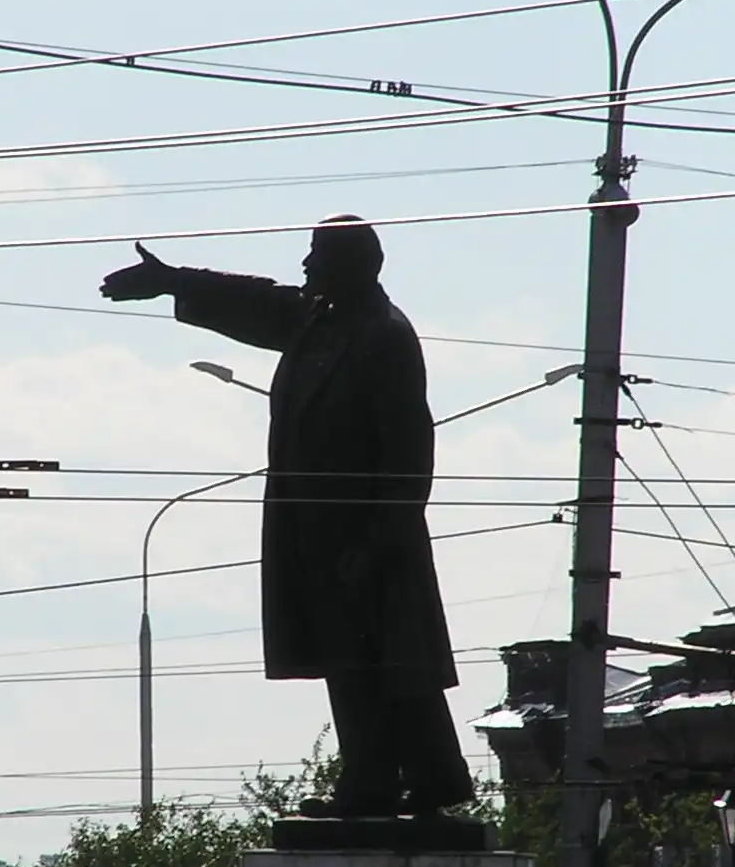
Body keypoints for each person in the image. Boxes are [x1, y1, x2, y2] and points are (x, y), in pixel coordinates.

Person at [101, 215, 474, 817]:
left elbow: (409, 449)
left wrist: (378, 541)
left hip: (366, 536)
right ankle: (426, 778)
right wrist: (174, 280)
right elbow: (258, 299)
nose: (305, 265)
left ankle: (384, 783)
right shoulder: (319, 320)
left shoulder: (383, 335)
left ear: (351, 264)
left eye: (316, 254)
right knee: (363, 659)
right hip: (316, 531)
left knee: (382, 662)